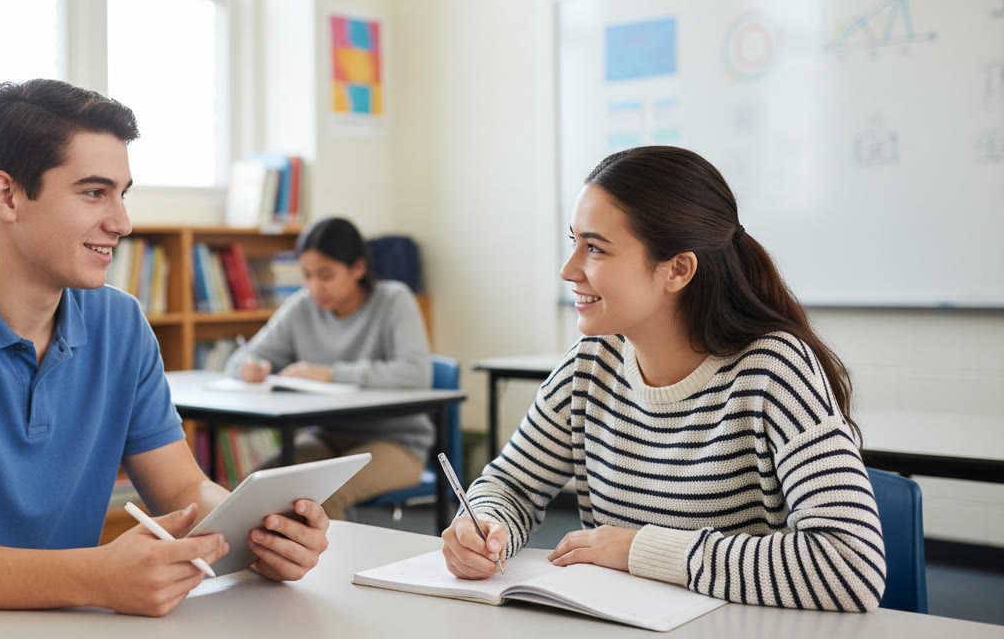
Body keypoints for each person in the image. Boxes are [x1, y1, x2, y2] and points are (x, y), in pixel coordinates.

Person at [0, 79, 331, 639]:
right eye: (94, 193)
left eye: (123, 194)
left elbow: (181, 489)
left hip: (52, 621)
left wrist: (259, 534)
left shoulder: (120, 324)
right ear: (6, 196)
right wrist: (95, 578)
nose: (122, 222)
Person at [443, 146, 886, 612]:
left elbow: (849, 565)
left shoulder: (772, 369)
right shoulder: (592, 362)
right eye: (572, 242)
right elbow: (511, 484)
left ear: (677, 269)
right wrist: (483, 527)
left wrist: (641, 550)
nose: (568, 270)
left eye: (594, 248)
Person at [224, 216, 432, 520]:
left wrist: (332, 373)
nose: (314, 286)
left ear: (358, 269)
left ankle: (333, 570)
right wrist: (249, 367)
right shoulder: (302, 306)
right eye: (306, 275)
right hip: (327, 437)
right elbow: (239, 359)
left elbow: (416, 373)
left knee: (319, 502)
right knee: (258, 488)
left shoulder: (394, 300)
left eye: (326, 275)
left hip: (397, 442)